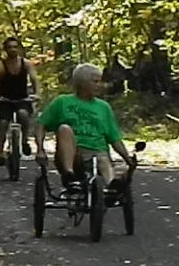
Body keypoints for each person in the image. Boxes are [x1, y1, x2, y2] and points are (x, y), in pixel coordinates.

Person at [34, 62, 136, 190]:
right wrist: (40, 150)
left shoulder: (104, 107)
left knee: (103, 159)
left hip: (97, 154)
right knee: (64, 129)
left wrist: (127, 159)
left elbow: (114, 138)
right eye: (95, 82)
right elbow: (41, 125)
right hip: (73, 154)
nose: (100, 86)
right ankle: (69, 175)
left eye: (100, 81)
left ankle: (111, 184)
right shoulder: (62, 102)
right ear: (82, 83)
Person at [0, 36, 40, 165]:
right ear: (5, 50)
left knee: (23, 115)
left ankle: (24, 141)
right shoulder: (0, 65)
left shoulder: (26, 64)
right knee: (3, 123)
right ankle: (1, 152)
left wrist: (37, 94)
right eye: (10, 47)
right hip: (4, 100)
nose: (13, 49)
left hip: (22, 99)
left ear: (19, 49)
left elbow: (34, 79)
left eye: (15, 47)